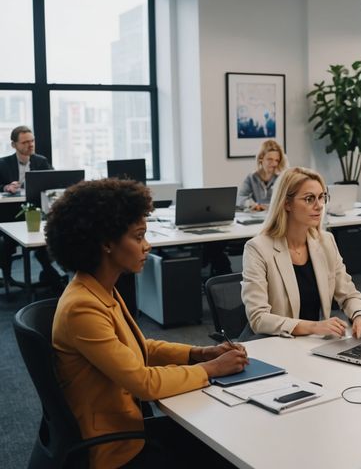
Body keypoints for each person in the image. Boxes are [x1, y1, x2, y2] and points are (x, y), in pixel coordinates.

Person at [48, 178, 248, 468]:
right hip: (116, 446)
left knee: (224, 438)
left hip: (130, 425)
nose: (147, 245)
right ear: (105, 243)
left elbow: (136, 346)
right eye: (139, 236)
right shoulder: (82, 307)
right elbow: (144, 383)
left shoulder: (98, 287)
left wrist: (197, 354)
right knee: (224, 451)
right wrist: (212, 368)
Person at [241, 167, 361, 339]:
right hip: (274, 342)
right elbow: (258, 318)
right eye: (309, 199)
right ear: (287, 204)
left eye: (321, 197)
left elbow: (349, 294)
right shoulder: (257, 248)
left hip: (311, 342)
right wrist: (314, 326)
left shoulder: (326, 241)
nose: (319, 206)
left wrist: (359, 316)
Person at [0, 126, 61, 286]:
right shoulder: (3, 163)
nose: (30, 145)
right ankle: (7, 278)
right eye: (25, 142)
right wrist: (6, 187)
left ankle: (49, 272)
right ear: (14, 145)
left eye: (32, 141)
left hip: (36, 210)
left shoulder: (41, 161)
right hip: (10, 214)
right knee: (7, 243)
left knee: (45, 239)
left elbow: (54, 181)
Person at [237, 139, 287, 211]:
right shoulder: (252, 177)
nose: (274, 164)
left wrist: (268, 207)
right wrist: (251, 204)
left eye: (277, 160)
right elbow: (239, 199)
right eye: (270, 159)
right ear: (261, 158)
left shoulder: (282, 178)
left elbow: (288, 201)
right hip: (257, 217)